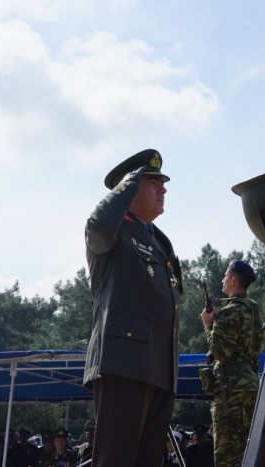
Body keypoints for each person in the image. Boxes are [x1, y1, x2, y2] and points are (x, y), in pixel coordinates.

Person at [83, 149, 183, 467]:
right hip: (123, 363)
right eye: (153, 182)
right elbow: (97, 227)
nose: (163, 189)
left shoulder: (159, 241)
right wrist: (125, 186)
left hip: (159, 367)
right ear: (131, 187)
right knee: (115, 460)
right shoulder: (114, 232)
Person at [201, 260, 263, 467]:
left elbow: (221, 353)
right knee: (250, 450)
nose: (222, 279)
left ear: (234, 280)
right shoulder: (252, 309)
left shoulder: (230, 311)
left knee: (227, 456)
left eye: (226, 276)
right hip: (251, 385)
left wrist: (208, 326)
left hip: (231, 392)